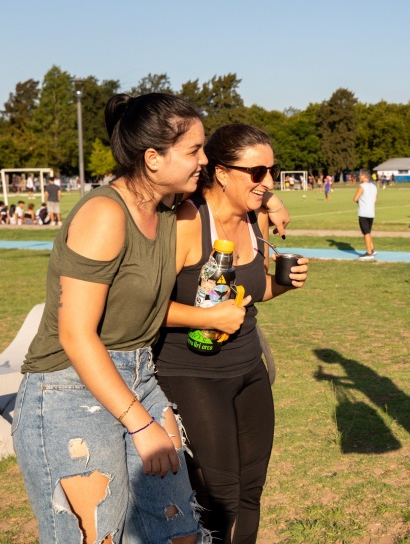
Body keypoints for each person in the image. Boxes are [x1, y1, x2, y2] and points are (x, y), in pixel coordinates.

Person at [12, 93, 210, 544]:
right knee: (96, 537)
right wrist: (141, 424)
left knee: (178, 531)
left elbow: (235, 194)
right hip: (68, 388)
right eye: (194, 150)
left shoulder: (171, 210)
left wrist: (270, 202)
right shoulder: (105, 213)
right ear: (153, 158)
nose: (204, 160)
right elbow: (75, 333)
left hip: (138, 374)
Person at [154, 123, 308, 544]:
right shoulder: (188, 221)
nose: (269, 183)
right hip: (192, 375)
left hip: (248, 369)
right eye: (257, 173)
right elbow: (144, 308)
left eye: (272, 172)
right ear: (221, 172)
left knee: (250, 493)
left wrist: (284, 283)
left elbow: (248, 296)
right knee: (219, 498)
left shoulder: (253, 221)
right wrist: (205, 319)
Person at [354, 168, 378, 260]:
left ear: (364, 176)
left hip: (363, 212)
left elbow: (355, 199)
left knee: (366, 233)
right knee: (368, 232)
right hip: (371, 213)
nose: (359, 177)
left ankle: (369, 253)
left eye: (359, 175)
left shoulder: (362, 186)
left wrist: (361, 201)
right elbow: (375, 200)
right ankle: (372, 249)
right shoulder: (374, 186)